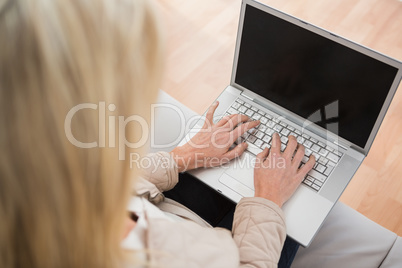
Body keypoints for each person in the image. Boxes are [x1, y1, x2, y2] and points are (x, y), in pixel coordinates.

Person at [0, 0, 315, 268]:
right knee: (298, 200)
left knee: (238, 161)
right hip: (201, 242)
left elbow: (106, 193)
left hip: (165, 213)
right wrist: (268, 199)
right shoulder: (152, 253)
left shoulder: (32, 183)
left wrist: (182, 157)